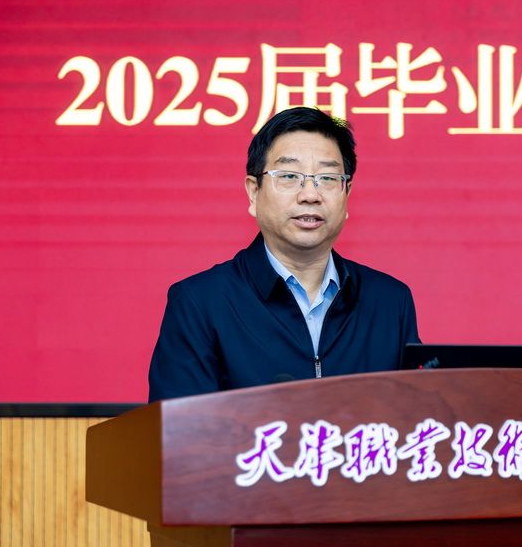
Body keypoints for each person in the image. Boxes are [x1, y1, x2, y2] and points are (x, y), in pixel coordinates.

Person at [148, 107, 420, 401]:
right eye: (289, 176)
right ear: (254, 192)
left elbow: (417, 415)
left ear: (347, 193)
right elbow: (179, 426)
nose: (310, 195)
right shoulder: (200, 302)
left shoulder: (391, 301)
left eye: (328, 178)